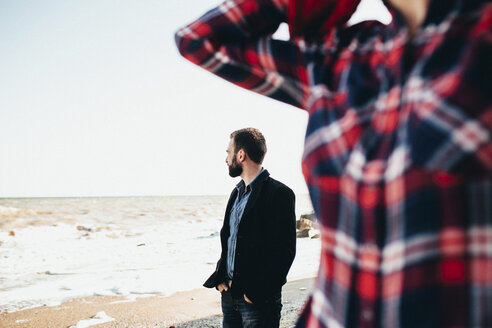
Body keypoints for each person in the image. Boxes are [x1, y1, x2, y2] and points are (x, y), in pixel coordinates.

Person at [176, 0, 492, 327]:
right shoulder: (342, 59)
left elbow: (283, 248)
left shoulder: (479, 35)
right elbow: (199, 41)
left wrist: (259, 290)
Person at [203, 128, 296, 328]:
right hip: (229, 295)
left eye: (228, 152)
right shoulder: (235, 194)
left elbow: (285, 252)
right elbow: (230, 240)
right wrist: (221, 278)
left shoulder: (280, 193)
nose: (226, 158)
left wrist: (258, 292)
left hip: (258, 301)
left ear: (241, 154)